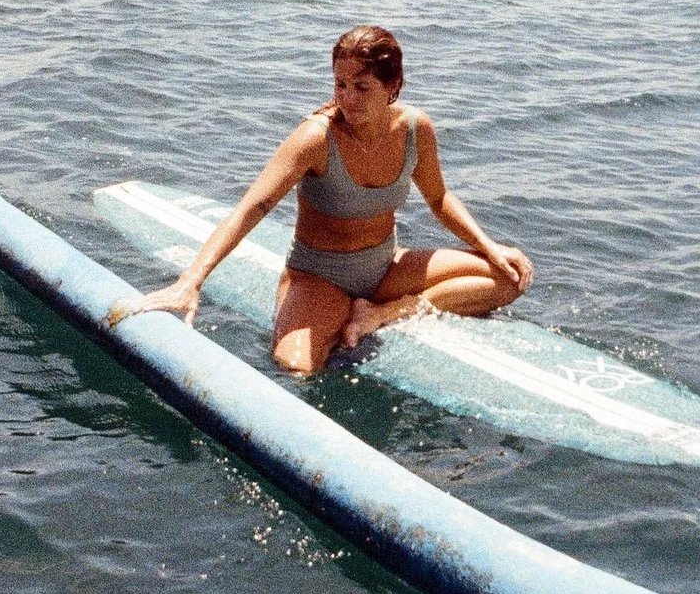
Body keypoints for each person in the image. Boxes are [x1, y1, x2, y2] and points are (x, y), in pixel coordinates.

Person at [127, 25, 533, 376]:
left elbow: (440, 198)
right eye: (340, 84)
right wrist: (189, 282)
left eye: (362, 87)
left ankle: (382, 313)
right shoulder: (315, 139)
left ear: (393, 87)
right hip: (319, 278)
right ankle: (356, 313)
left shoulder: (415, 128)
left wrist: (489, 247)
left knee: (509, 276)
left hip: (385, 269)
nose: (347, 99)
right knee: (297, 367)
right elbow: (253, 206)